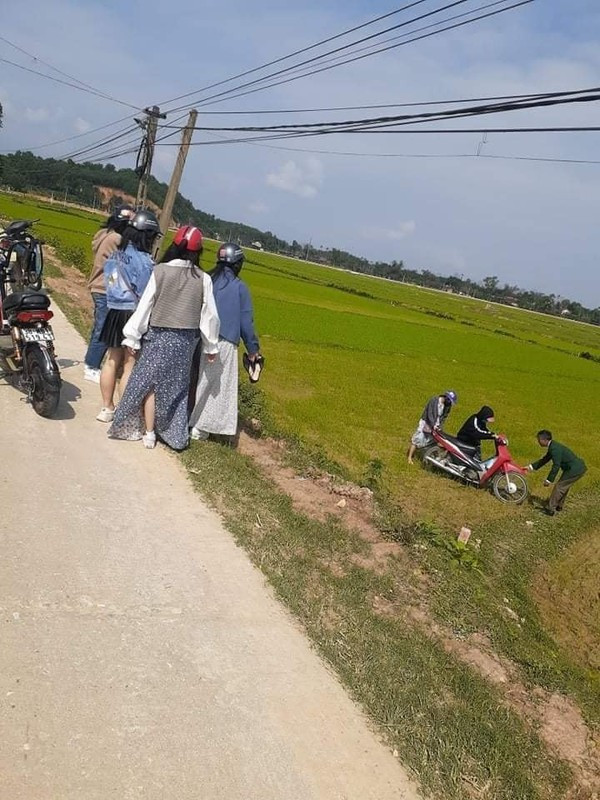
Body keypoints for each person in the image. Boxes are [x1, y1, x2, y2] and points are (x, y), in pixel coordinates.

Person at [108, 225, 220, 450]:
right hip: (186, 342)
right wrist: (211, 347)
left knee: (148, 382)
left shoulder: (160, 271)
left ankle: (148, 432)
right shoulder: (203, 279)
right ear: (198, 251)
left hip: (158, 336)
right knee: (176, 389)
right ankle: (173, 434)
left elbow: (145, 306)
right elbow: (210, 317)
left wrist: (132, 337)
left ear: (175, 246)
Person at [189, 242, 261, 441]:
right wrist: (253, 349)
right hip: (224, 341)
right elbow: (246, 321)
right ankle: (200, 427)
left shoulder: (207, 279)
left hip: (198, 336)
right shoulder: (240, 288)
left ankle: (188, 417)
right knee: (215, 387)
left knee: (196, 379)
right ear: (238, 264)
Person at [96, 209, 159, 423]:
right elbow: (146, 294)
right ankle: (124, 412)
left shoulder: (115, 255)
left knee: (111, 360)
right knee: (129, 363)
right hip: (133, 313)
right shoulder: (145, 262)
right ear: (146, 236)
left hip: (114, 310)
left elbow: (109, 283)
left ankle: (106, 408)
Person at [83, 205, 134, 383]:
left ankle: (92, 362)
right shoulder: (117, 239)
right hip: (105, 289)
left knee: (99, 327)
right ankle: (91, 366)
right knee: (102, 330)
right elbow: (119, 266)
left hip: (98, 286)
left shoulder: (104, 233)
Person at [527, 430, 587, 515]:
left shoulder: (554, 449)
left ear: (544, 440)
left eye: (538, 439)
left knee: (559, 486)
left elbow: (556, 465)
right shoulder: (553, 446)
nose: (538, 442)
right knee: (564, 486)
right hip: (576, 468)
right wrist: (530, 467)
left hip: (575, 469)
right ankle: (559, 505)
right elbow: (545, 459)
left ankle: (550, 509)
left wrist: (549, 480)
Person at [407, 390, 457, 464]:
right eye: (449, 401)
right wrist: (433, 424)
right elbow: (429, 413)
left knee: (434, 441)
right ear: (446, 397)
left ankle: (429, 455)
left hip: (436, 425)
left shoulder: (447, 406)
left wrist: (439, 426)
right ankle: (409, 457)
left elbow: (444, 417)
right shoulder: (434, 400)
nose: (450, 403)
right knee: (418, 439)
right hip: (426, 422)